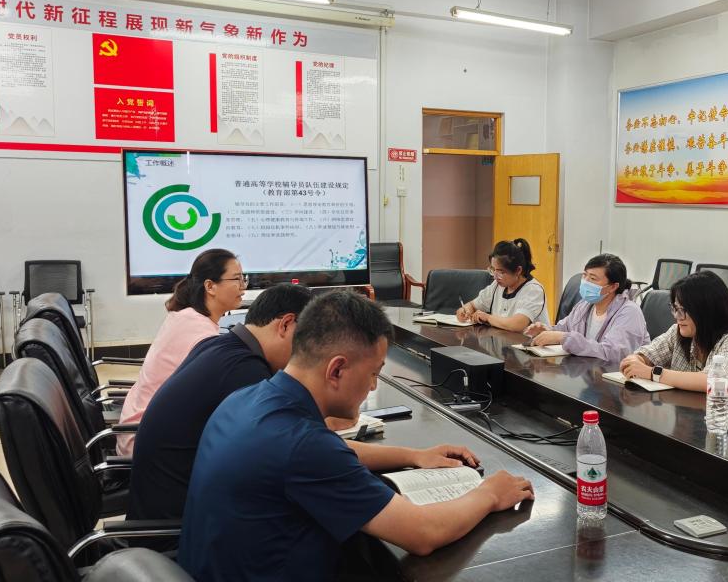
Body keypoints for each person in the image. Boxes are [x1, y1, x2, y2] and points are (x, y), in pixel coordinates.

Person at [178, 290, 534, 582]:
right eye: (374, 373)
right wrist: (490, 493)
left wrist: (414, 455)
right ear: (337, 369)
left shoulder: (247, 399)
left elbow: (329, 449)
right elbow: (422, 533)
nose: (373, 386)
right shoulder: (303, 446)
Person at [127, 283, 313, 521]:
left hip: (161, 506)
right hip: (180, 524)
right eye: (310, 340)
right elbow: (293, 455)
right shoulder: (245, 372)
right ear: (286, 324)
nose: (310, 354)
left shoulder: (218, 346)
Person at [117, 248, 244, 456]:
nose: (243, 286)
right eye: (237, 279)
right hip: (147, 444)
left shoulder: (185, 316)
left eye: (243, 279)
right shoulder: (199, 332)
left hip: (141, 429)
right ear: (210, 286)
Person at [619, 270, 728, 407]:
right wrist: (636, 361)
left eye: (683, 310)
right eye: (675, 308)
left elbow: (711, 381)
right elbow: (646, 354)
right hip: (694, 415)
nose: (678, 316)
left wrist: (653, 373)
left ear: (707, 311)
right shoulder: (678, 332)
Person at [524, 253, 649, 363]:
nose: (585, 282)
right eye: (585, 275)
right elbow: (565, 328)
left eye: (593, 278)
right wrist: (547, 331)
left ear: (612, 287)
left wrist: (562, 338)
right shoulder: (585, 304)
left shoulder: (629, 312)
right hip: (587, 374)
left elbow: (613, 354)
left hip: (615, 378)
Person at [455, 238, 549, 331]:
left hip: (530, 340)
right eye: (493, 269)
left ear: (518, 270)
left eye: (501, 272)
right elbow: (473, 305)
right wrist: (464, 311)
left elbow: (517, 325)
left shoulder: (533, 290)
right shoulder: (497, 285)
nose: (495, 277)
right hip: (501, 339)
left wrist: (488, 317)